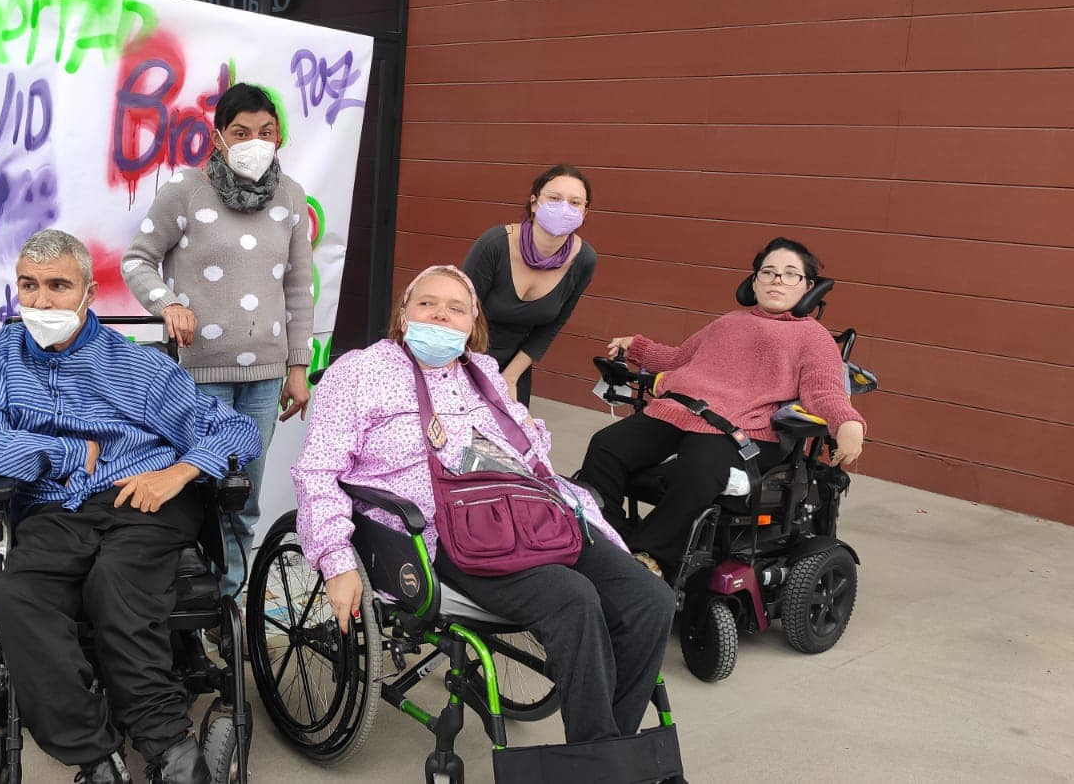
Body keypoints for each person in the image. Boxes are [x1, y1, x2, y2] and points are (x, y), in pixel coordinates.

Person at [291, 265, 674, 745]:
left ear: (473, 323)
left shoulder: (484, 372)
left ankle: (610, 752)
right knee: (575, 600)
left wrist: (526, 437)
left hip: (527, 514)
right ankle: (598, 763)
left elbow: (530, 449)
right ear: (403, 313)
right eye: (427, 303)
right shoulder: (360, 372)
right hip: (437, 530)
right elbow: (317, 470)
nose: (441, 316)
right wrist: (336, 561)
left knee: (650, 600)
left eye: (456, 308)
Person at [0, 229, 263, 784]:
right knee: (16, 596)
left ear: (89, 291)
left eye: (58, 286)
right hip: (55, 506)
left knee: (116, 589)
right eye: (28, 286)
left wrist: (179, 472)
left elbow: (235, 429)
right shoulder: (4, 354)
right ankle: (96, 757)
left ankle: (169, 746)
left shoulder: (137, 368)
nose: (41, 301)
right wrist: (66, 451)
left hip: (142, 497)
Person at [122, 82, 314, 599]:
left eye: (266, 132)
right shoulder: (184, 191)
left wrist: (298, 368)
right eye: (242, 132)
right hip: (197, 374)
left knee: (242, 494)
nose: (256, 141)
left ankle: (226, 602)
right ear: (218, 138)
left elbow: (297, 286)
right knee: (197, 488)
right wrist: (169, 304)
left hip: (265, 376)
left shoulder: (290, 196)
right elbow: (138, 260)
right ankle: (187, 592)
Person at [577, 236, 868, 577]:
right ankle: (607, 541)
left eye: (790, 274)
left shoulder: (813, 338)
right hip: (680, 410)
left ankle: (648, 558)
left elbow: (824, 391)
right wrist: (636, 347)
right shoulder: (728, 323)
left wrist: (847, 422)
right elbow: (678, 358)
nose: (777, 279)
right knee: (607, 446)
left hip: (743, 429)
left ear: (808, 287)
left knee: (698, 467)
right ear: (754, 281)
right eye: (768, 272)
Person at [463, 164, 597, 405]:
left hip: (515, 365)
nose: (564, 208)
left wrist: (510, 378)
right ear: (535, 203)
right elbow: (459, 312)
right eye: (554, 198)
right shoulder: (494, 244)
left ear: (585, 213)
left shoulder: (584, 260)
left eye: (575, 202)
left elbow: (553, 325)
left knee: (515, 437)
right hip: (464, 355)